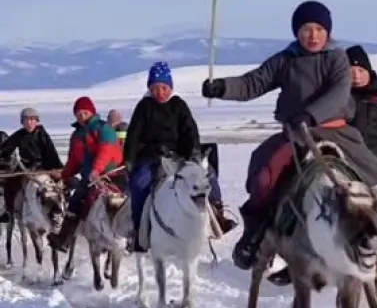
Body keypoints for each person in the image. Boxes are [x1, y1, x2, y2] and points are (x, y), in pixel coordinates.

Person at [202, 0, 377, 270]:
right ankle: (255, 236)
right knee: (265, 175)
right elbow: (253, 83)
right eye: (306, 29)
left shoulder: (336, 58)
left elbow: (338, 93)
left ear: (327, 32)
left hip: (336, 132)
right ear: (296, 32)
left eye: (318, 29)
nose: (312, 35)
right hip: (295, 134)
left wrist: (312, 114)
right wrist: (221, 87)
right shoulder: (286, 59)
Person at [123, 61, 235, 253]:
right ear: (150, 88)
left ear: (170, 87)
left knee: (208, 175)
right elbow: (133, 135)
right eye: (156, 88)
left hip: (179, 157)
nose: (160, 92)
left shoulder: (179, 105)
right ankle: (140, 230)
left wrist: (192, 153)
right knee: (139, 183)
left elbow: (190, 131)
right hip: (152, 157)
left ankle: (217, 215)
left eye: (164, 87)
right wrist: (130, 159)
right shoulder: (144, 107)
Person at [48, 97, 124, 251]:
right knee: (75, 203)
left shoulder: (104, 129)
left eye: (85, 112)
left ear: (92, 112)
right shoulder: (76, 136)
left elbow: (107, 151)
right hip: (89, 179)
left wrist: (96, 170)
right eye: (78, 113)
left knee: (126, 202)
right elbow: (74, 161)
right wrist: (63, 176)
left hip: (112, 175)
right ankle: (64, 240)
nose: (82, 116)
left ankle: (131, 238)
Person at [0, 107, 62, 224]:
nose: (29, 122)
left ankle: (61, 210)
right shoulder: (19, 134)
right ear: (22, 121)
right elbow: (6, 148)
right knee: (9, 184)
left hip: (44, 167)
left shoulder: (42, 134)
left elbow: (51, 153)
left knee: (60, 186)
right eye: (25, 119)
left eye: (32, 119)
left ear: (37, 121)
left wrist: (54, 169)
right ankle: (9, 212)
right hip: (25, 167)